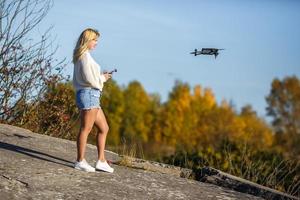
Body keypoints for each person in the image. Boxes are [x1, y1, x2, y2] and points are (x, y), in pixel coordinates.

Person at [72, 28, 114, 173]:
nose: (96, 43)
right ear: (87, 40)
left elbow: (88, 77)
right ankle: (80, 161)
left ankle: (101, 161)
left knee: (104, 128)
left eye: (97, 40)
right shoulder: (84, 56)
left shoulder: (84, 56)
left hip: (91, 95)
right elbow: (90, 79)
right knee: (86, 129)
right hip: (89, 94)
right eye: (94, 40)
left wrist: (102, 77)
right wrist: (103, 78)